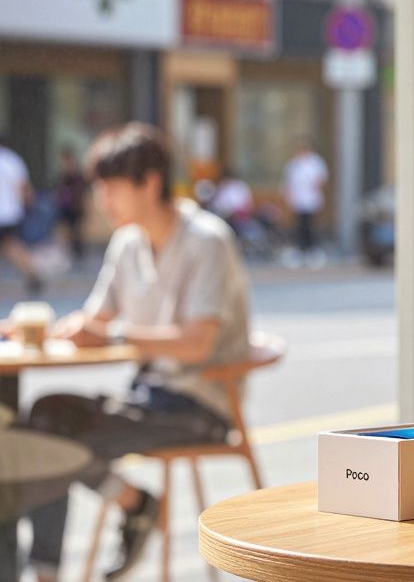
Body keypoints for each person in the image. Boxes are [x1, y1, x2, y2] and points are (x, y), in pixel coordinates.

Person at [20, 123, 251, 582]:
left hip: (199, 405)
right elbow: (99, 319)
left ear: (150, 182)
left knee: (46, 443)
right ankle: (131, 504)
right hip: (147, 396)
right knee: (44, 415)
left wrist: (114, 335)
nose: (102, 201)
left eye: (111, 188)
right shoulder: (126, 242)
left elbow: (196, 341)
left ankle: (123, 515)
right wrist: (59, 329)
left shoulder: (207, 240)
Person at [0, 139, 41, 294]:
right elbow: (24, 187)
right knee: (13, 246)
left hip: (6, 212)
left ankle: (33, 274)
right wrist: (29, 204)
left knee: (12, 246)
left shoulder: (11, 160)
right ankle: (33, 274)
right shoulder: (12, 160)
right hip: (11, 212)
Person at [282, 139, 328, 268]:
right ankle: (300, 250)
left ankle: (313, 250)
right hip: (298, 200)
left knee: (310, 226)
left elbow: (321, 180)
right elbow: (289, 183)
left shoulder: (315, 163)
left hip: (311, 200)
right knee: (299, 226)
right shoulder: (293, 164)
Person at [54, 147, 88, 267]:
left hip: (75, 206)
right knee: (66, 230)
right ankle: (69, 253)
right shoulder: (63, 174)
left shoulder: (76, 174)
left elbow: (81, 190)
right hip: (65, 205)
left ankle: (77, 253)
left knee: (75, 231)